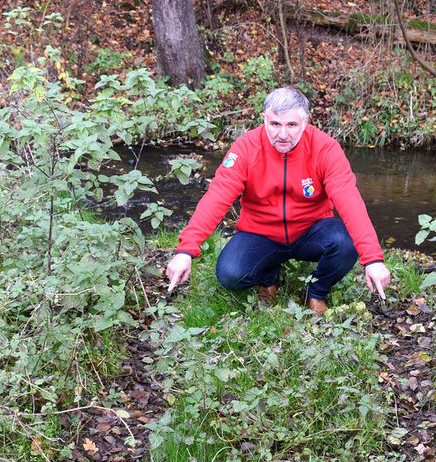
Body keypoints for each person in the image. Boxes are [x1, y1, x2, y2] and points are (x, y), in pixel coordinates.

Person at [165, 87, 391, 315]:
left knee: (345, 242)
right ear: (264, 119)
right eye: (275, 124)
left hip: (310, 231)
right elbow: (217, 197)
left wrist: (372, 258)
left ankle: (316, 292)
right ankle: (270, 276)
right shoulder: (245, 148)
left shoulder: (325, 148)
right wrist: (186, 250)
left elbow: (349, 201)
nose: (283, 134)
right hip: (261, 233)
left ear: (304, 122)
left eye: (291, 125)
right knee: (230, 274)